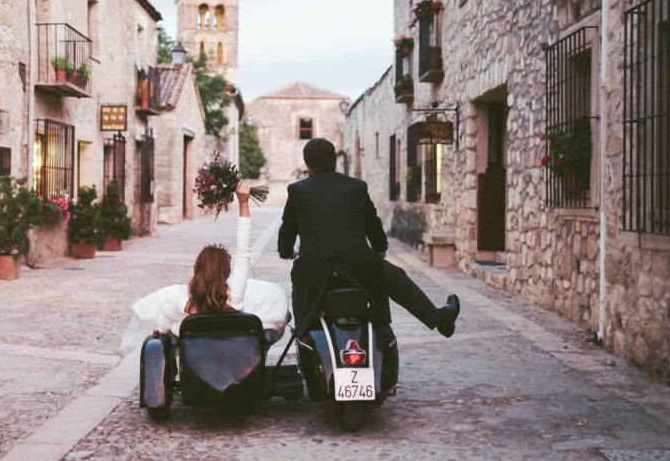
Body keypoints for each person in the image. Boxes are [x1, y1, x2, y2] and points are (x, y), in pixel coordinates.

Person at [277, 137, 460, 339]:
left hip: (315, 269)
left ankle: (303, 332)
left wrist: (288, 252)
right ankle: (439, 320)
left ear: (307, 165)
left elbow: (286, 236)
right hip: (360, 267)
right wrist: (380, 249)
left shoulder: (297, 190)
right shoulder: (356, 187)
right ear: (334, 162)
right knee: (397, 279)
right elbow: (373, 224)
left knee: (299, 279)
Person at [131, 180, 289, 339]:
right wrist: (243, 203)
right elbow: (243, 251)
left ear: (198, 269)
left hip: (197, 360)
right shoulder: (234, 297)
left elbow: (163, 324)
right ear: (226, 272)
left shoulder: (184, 304)